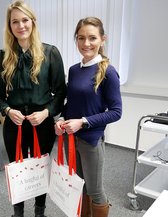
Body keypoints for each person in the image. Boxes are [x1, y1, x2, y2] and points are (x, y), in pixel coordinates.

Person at [0, 1, 66, 217]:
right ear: (10, 26)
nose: (20, 25)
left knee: (40, 168)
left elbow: (61, 92)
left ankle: (39, 211)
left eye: (24, 20)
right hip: (14, 123)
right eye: (15, 21)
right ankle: (18, 212)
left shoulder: (50, 53)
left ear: (32, 22)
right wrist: (6, 110)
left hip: (41, 122)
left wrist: (46, 113)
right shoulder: (1, 56)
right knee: (17, 169)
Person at [54, 17, 122, 217]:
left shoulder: (108, 72)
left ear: (103, 39)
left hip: (91, 141)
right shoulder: (74, 70)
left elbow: (116, 112)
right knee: (78, 185)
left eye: (92, 38)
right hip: (69, 138)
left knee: (95, 190)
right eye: (81, 38)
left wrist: (83, 122)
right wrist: (60, 119)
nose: (86, 43)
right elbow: (72, 104)